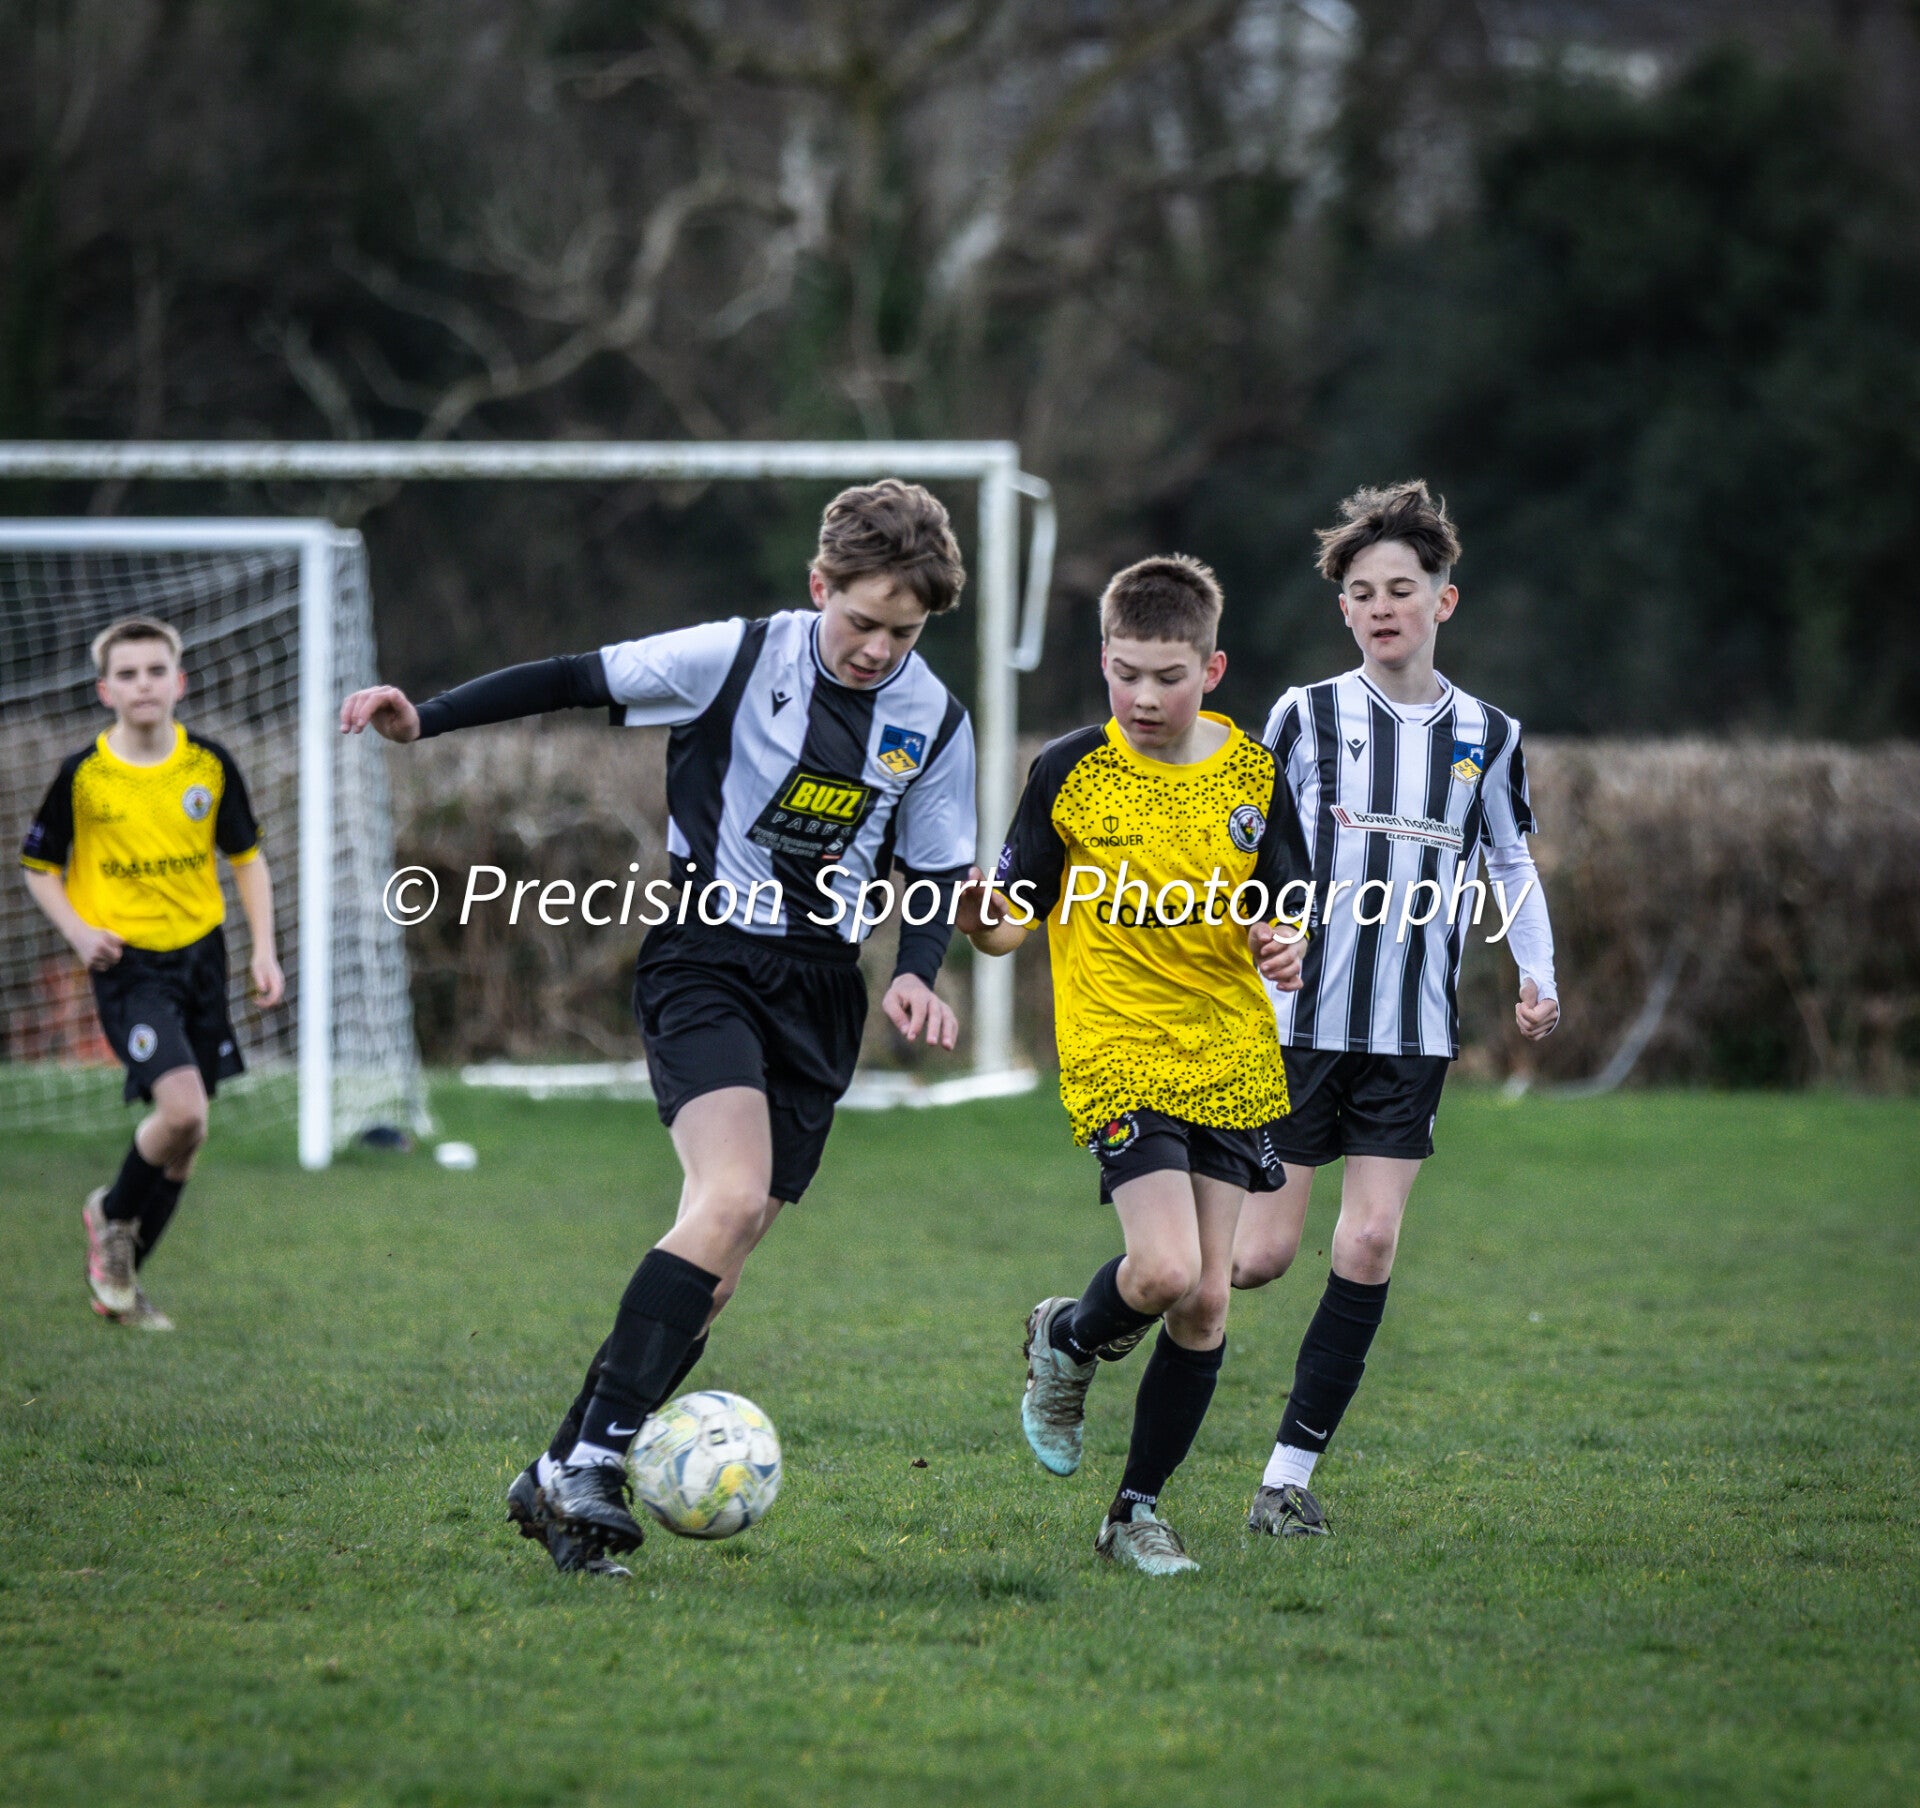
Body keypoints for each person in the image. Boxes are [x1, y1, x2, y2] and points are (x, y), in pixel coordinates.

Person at [340, 480, 978, 1577]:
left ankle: (553, 1478)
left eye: (902, 630)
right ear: (819, 585)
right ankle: (594, 1455)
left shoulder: (935, 719)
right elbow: (574, 676)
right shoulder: (731, 656)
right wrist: (426, 718)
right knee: (724, 1199)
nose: (877, 647)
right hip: (705, 959)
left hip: (823, 991)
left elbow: (935, 867)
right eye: (861, 619)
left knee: (718, 1268)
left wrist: (917, 972)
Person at [957, 554, 1307, 1576]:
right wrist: (982, 918)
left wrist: (1287, 943)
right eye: (1125, 673)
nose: (1145, 696)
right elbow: (1010, 924)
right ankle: (1069, 1335)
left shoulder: (1251, 776)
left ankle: (1133, 1512)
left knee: (1204, 1302)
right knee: (1162, 1269)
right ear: (1102, 660)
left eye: (1168, 675)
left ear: (1213, 667)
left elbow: (1285, 910)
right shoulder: (1069, 770)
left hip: (1231, 1053)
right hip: (1117, 1049)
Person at [1233, 480, 1561, 1538]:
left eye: (1402, 589)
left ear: (1443, 601)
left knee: (1369, 1242)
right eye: (1363, 592)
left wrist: (1535, 972)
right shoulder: (1304, 713)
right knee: (1255, 1259)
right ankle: (1084, 1320)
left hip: (1412, 1033)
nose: (1383, 606)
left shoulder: (1488, 733)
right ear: (1344, 610)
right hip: (1297, 1029)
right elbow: (1240, 843)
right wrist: (1253, 929)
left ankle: (1285, 1478)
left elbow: (1508, 860)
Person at [22, 616, 285, 1332]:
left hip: (201, 958)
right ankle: (109, 1216)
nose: (143, 685)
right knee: (184, 1113)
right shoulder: (85, 775)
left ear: (180, 681)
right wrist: (79, 934)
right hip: (127, 967)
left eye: (155, 671)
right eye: (128, 674)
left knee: (189, 1140)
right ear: (107, 690)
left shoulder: (208, 765)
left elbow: (247, 859)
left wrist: (264, 949)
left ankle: (122, 1285)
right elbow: (39, 868)